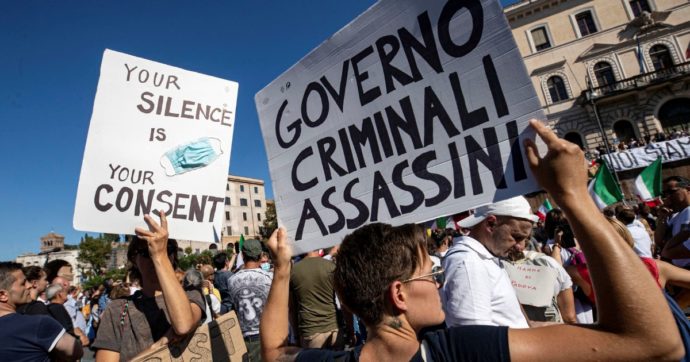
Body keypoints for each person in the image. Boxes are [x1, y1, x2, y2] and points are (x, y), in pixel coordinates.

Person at [260, 119, 683, 361]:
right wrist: (572, 197)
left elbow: (274, 352)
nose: (442, 284)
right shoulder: (457, 351)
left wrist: (282, 271)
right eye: (431, 275)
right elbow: (655, 343)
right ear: (399, 295)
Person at [93, 212, 205, 361]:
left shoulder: (191, 294)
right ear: (134, 258)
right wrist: (156, 347)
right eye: (146, 252)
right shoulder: (117, 309)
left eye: (167, 249)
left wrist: (160, 256)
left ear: (173, 256)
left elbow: (183, 325)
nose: (154, 255)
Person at [441, 195, 536, 328]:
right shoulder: (469, 263)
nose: (520, 246)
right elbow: (476, 338)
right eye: (516, 237)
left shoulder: (487, 257)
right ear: (491, 224)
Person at [0, 261, 83, 361]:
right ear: (3, 295)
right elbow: (75, 351)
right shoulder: (38, 323)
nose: (29, 286)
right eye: (23, 283)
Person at [506, 237, 577, 324]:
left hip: (510, 333)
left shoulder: (492, 265)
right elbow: (569, 317)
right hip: (548, 332)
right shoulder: (549, 263)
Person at [290, 248, 347, 349]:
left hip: (310, 332)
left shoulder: (294, 271)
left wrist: (296, 336)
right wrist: (350, 330)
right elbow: (344, 302)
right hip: (334, 329)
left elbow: (291, 308)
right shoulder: (330, 266)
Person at [227, 239, 273, 362]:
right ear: (260, 255)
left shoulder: (231, 280)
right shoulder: (269, 278)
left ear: (242, 255)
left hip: (242, 338)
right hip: (267, 336)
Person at [658, 176, 690, 265]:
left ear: (688, 189)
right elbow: (659, 241)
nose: (668, 196)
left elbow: (668, 251)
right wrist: (662, 217)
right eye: (665, 194)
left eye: (672, 192)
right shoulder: (674, 216)